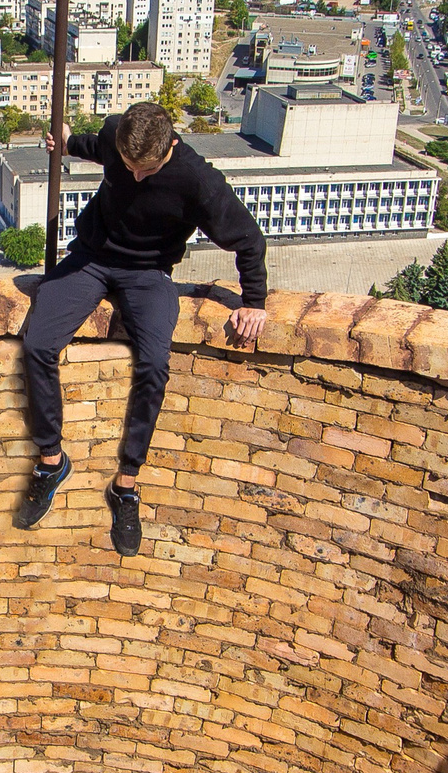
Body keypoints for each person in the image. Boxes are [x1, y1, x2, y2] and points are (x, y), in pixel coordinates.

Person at [14, 101, 268, 556]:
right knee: (37, 343)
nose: (135, 177)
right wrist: (68, 142)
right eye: (128, 167)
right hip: (91, 259)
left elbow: (248, 238)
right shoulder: (117, 136)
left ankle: (126, 484)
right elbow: (95, 146)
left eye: (145, 170)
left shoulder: (198, 180)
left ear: (170, 146)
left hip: (149, 272)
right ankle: (51, 462)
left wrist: (254, 302)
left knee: (154, 364)